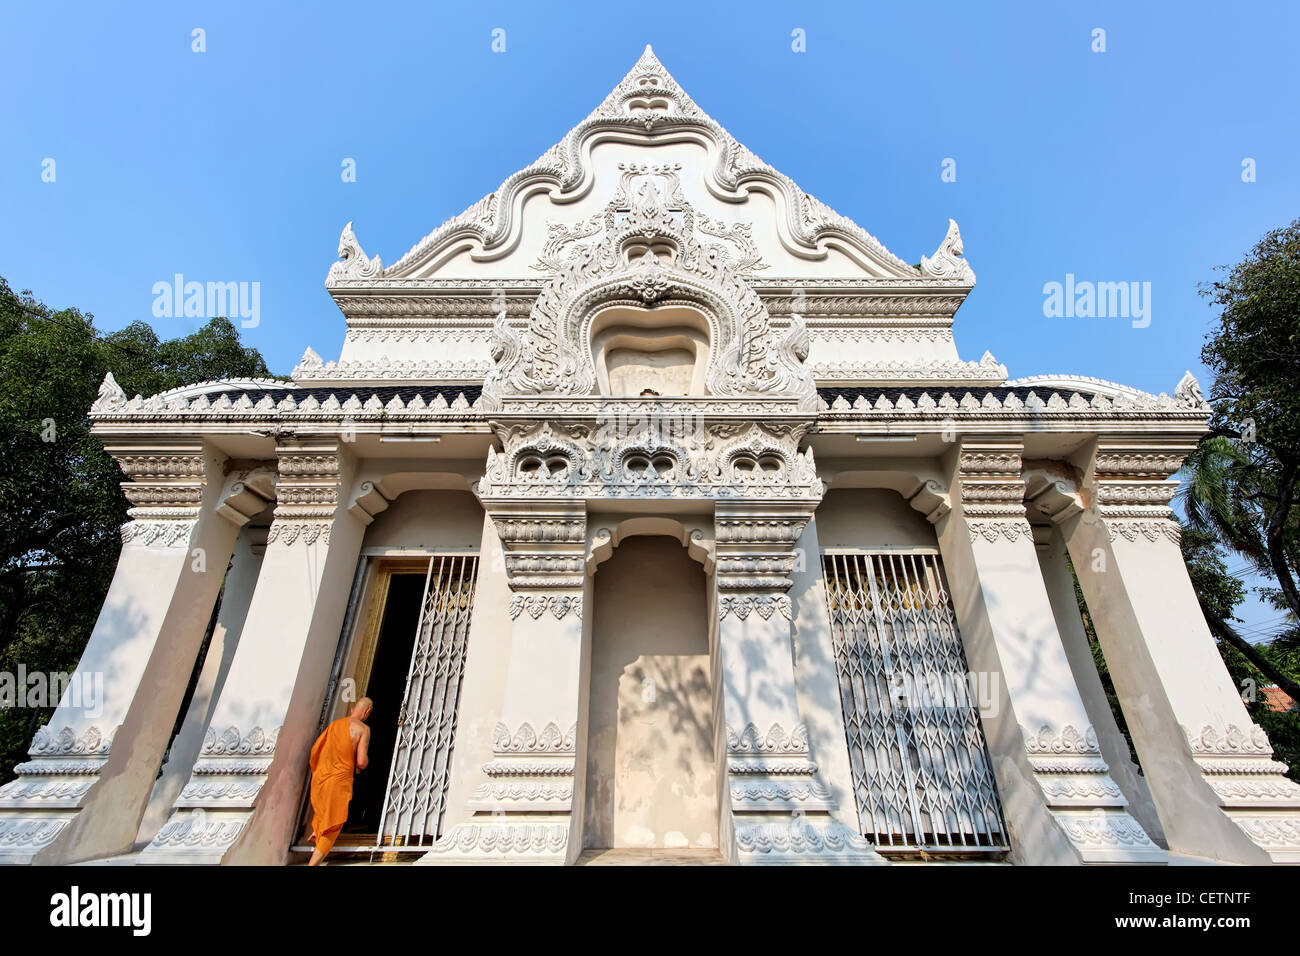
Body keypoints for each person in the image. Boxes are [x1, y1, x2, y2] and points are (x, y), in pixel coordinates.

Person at [307, 697, 372, 865]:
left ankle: (317, 835)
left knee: (325, 815)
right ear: (367, 712)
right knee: (334, 823)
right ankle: (313, 863)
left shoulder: (334, 726)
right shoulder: (363, 729)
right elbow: (361, 761)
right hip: (339, 780)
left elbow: (316, 751)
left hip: (322, 777)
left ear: (352, 710)